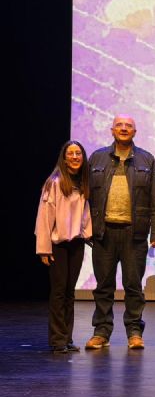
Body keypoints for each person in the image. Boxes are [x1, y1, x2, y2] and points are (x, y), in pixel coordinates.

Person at [85, 114, 155, 350]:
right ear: (112, 130)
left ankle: (134, 332)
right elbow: (84, 196)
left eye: (128, 126)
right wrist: (85, 228)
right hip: (104, 232)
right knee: (103, 286)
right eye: (119, 125)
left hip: (134, 233)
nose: (123, 128)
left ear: (134, 132)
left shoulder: (146, 159)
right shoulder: (97, 157)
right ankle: (101, 332)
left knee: (133, 286)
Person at [35, 141, 92, 354]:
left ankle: (67, 338)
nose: (75, 157)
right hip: (57, 245)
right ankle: (57, 340)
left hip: (76, 244)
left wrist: (89, 234)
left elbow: (85, 214)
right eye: (71, 154)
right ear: (64, 158)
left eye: (78, 153)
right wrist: (44, 248)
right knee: (59, 292)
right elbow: (44, 217)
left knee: (69, 292)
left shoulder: (83, 182)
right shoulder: (55, 183)